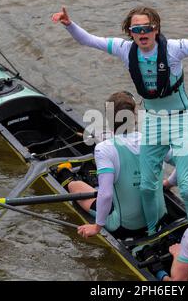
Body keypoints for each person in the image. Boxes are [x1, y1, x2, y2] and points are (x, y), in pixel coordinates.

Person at [52, 6, 188, 233]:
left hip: (180, 121)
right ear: (130, 32)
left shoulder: (174, 48)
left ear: (156, 29)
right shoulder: (124, 49)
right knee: (147, 188)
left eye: (147, 28)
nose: (143, 33)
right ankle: (152, 231)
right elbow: (89, 41)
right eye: (137, 29)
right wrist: (69, 24)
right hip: (152, 121)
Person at [56, 91, 172, 239]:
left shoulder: (105, 148)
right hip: (160, 219)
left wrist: (97, 227)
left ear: (109, 118)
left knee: (76, 186)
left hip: (125, 227)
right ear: (135, 115)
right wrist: (169, 182)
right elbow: (183, 166)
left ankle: (66, 174)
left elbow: (106, 194)